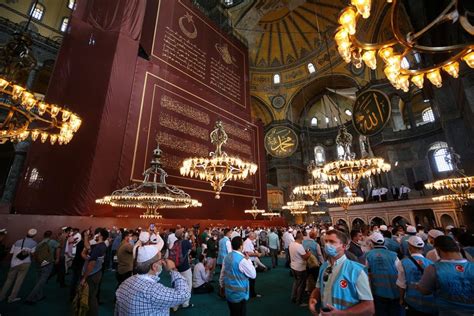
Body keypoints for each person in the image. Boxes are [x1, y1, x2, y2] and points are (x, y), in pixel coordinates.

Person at [309, 229, 374, 315]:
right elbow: (318, 288)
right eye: (326, 241)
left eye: (332, 242)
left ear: (343, 246)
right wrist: (313, 298)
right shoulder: (324, 267)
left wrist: (342, 313)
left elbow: (369, 308)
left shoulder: (356, 270)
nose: (327, 245)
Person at [115, 243, 190, 315]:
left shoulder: (125, 283)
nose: (163, 262)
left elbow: (117, 311)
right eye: (161, 259)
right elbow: (184, 294)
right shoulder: (153, 291)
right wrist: (173, 269)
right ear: (154, 266)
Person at [417, 236, 474, 316]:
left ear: (438, 249)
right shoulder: (472, 266)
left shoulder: (433, 269)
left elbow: (425, 291)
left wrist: (418, 286)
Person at [396, 236, 435, 316]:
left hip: (412, 302)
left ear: (410, 247)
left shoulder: (403, 262)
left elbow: (402, 284)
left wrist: (401, 299)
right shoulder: (431, 263)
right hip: (430, 301)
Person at [365, 232, 401, 316]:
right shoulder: (393, 255)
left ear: (372, 243)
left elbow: (367, 274)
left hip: (378, 291)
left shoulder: (369, 255)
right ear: (384, 242)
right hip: (394, 291)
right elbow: (400, 273)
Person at [220, 236, 256, 316]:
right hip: (239, 295)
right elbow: (253, 275)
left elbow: (222, 274)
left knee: (233, 313)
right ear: (241, 246)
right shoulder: (242, 260)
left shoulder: (226, 257)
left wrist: (221, 286)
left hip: (229, 292)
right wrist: (249, 260)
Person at [0, 228, 37, 303]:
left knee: (8, 280)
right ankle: (11, 298)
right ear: (34, 235)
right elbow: (33, 254)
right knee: (18, 281)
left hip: (14, 263)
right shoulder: (34, 243)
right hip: (25, 263)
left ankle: (1, 296)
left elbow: (11, 253)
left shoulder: (17, 241)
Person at [80, 228, 108, 316]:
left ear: (101, 236)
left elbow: (91, 264)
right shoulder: (100, 245)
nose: (95, 234)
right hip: (97, 272)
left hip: (92, 275)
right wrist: (85, 237)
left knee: (90, 297)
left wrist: (84, 278)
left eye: (97, 233)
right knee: (92, 295)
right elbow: (87, 246)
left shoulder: (98, 247)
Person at [25, 230, 56, 304]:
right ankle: (30, 298)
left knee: (39, 279)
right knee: (42, 281)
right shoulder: (52, 242)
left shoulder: (39, 243)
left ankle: (40, 296)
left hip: (39, 262)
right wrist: (56, 259)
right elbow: (58, 248)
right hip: (47, 262)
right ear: (51, 235)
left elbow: (34, 254)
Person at [169, 228, 194, 310]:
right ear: (183, 235)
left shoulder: (175, 243)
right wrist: (192, 238)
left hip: (176, 267)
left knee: (177, 285)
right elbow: (193, 249)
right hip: (185, 267)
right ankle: (185, 303)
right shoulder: (186, 242)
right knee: (188, 285)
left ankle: (175, 305)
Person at [290, 231, 311, 307]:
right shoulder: (299, 246)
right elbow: (305, 257)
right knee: (302, 285)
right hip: (300, 268)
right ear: (301, 238)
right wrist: (309, 253)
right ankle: (299, 301)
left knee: (296, 283)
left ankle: (293, 297)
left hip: (293, 266)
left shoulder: (291, 244)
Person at [243, 232, 263, 297]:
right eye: (254, 237)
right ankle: (252, 293)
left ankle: (251, 293)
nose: (255, 238)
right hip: (249, 262)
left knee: (251, 279)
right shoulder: (247, 242)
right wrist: (257, 254)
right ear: (251, 236)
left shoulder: (249, 242)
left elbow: (251, 250)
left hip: (251, 261)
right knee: (251, 278)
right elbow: (247, 253)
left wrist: (255, 252)